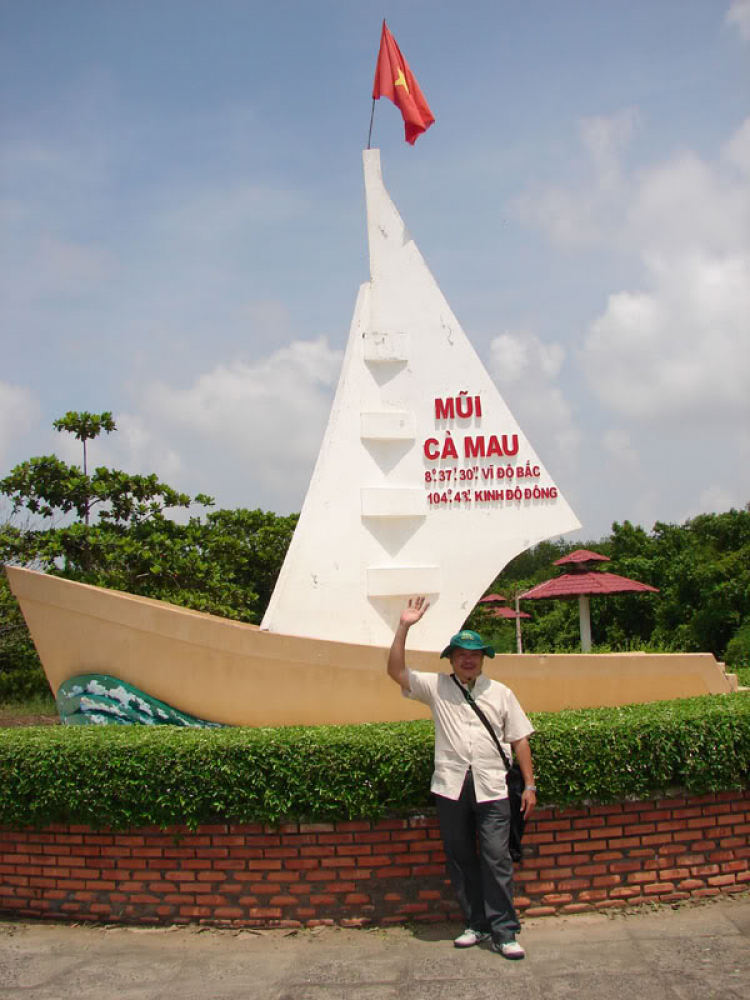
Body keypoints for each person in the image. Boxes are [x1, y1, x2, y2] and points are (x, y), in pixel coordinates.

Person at [387, 596, 536, 959]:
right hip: (452, 787)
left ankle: (504, 931)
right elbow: (396, 672)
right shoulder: (437, 688)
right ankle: (475, 923)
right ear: (451, 658)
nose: (468, 659)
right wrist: (404, 626)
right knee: (460, 857)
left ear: (482, 659)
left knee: (496, 856)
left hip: (493, 786)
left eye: (474, 654)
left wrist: (530, 784)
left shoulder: (500, 693)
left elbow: (519, 739)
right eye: (461, 654)